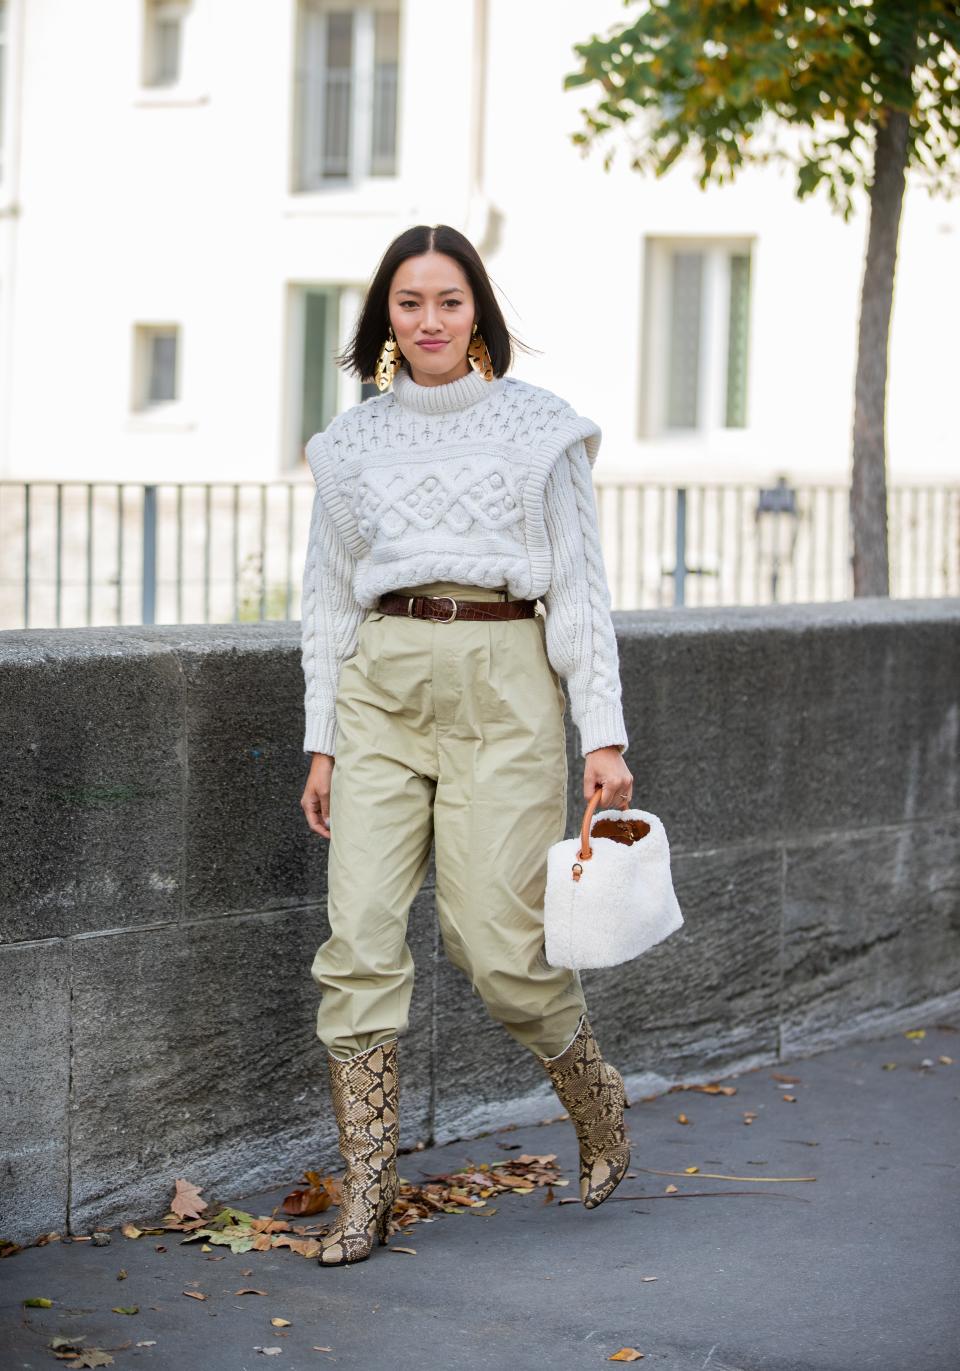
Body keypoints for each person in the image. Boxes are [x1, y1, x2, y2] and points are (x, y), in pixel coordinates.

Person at [299, 223, 634, 1266]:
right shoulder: (349, 445)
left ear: (478, 312)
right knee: (357, 943)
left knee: (500, 954)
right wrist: (322, 740)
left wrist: (604, 737)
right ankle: (369, 1192)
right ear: (384, 317)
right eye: (409, 303)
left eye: (449, 301)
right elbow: (322, 602)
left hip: (506, 687)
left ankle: (598, 1099)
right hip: (381, 689)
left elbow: (581, 593)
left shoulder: (541, 432)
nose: (430, 321)